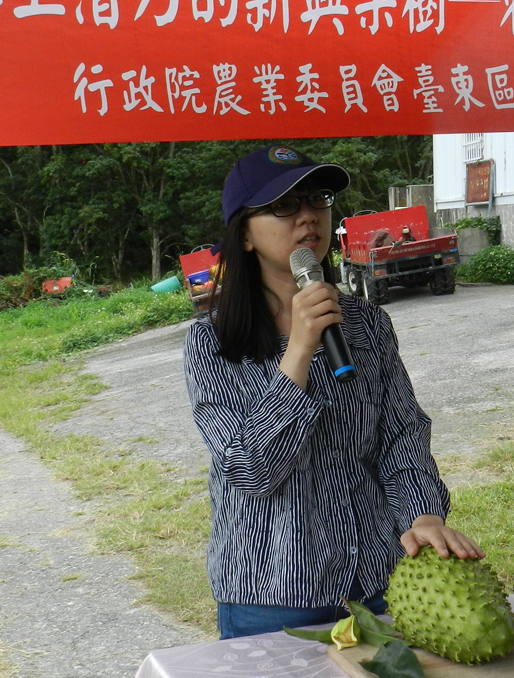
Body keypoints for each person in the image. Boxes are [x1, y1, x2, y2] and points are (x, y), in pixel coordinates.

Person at [184, 144, 484, 640]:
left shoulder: (366, 324)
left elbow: (401, 437)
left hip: (379, 578)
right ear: (243, 236)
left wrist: (423, 514)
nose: (307, 217)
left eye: (316, 199)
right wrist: (298, 352)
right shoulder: (212, 341)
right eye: (283, 206)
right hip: (273, 593)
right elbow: (248, 469)